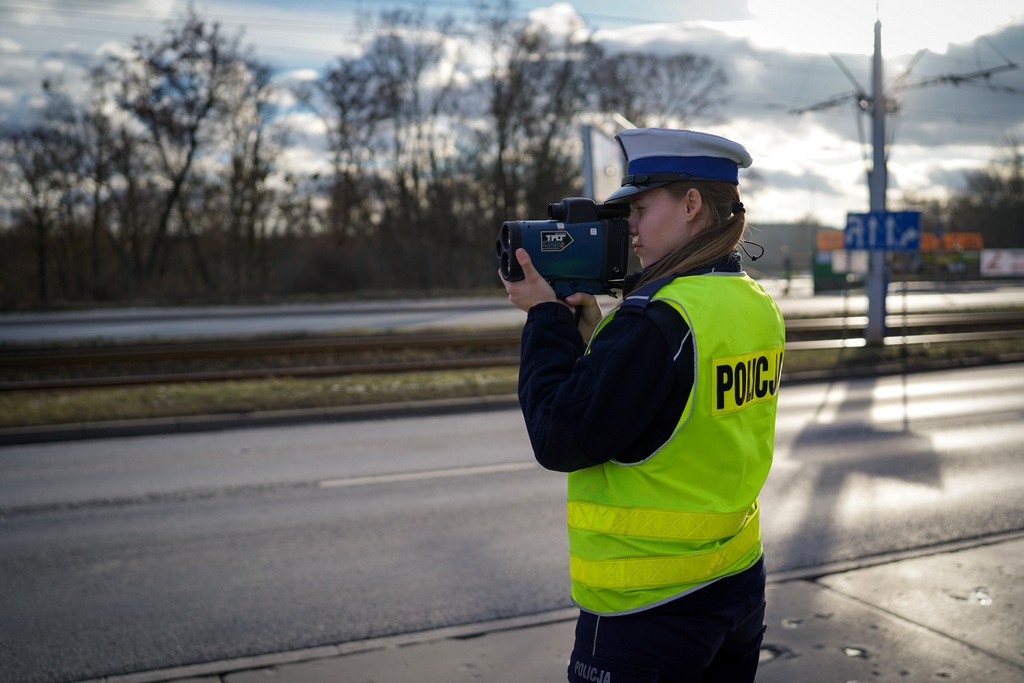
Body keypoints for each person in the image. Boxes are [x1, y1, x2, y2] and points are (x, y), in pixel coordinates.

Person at [500, 128, 786, 683]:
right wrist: (598, 333)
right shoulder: (752, 302)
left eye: (640, 208)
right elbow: (675, 403)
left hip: (649, 607)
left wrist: (545, 319)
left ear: (692, 204)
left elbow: (561, 436)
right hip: (736, 584)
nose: (628, 227)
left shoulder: (656, 318)